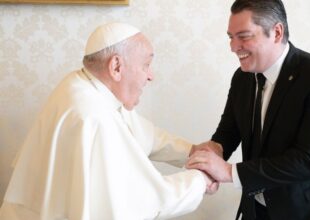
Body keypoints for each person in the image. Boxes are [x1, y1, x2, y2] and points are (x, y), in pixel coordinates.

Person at [0, 22, 217, 220]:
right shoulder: (93, 117)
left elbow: (143, 134)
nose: (150, 76)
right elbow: (142, 199)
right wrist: (199, 180)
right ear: (116, 67)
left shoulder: (83, 85)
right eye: (146, 65)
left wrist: (192, 151)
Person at [186, 0, 310, 220]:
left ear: (277, 32)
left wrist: (229, 172)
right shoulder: (242, 77)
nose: (233, 47)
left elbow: (308, 160)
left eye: (244, 36)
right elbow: (229, 131)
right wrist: (214, 151)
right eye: (231, 37)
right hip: (260, 207)